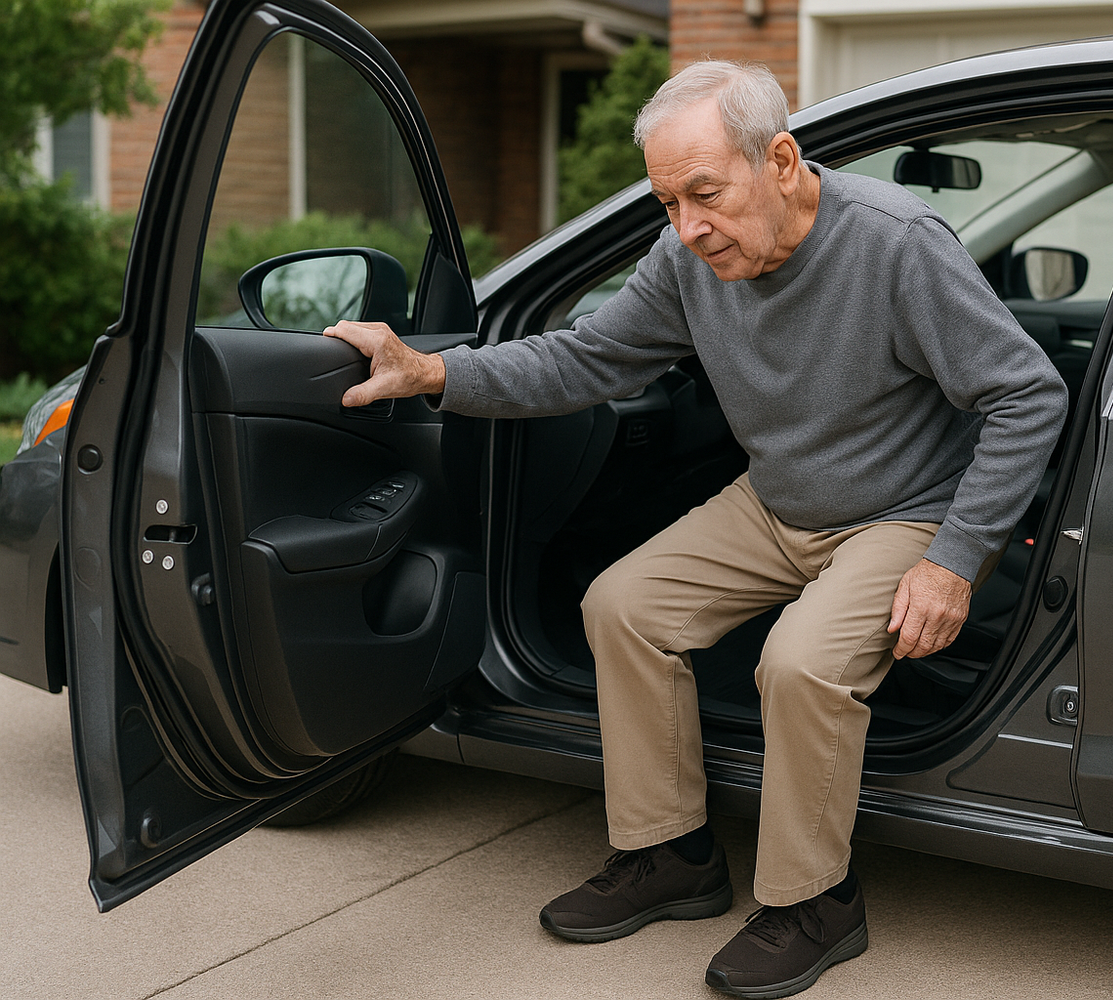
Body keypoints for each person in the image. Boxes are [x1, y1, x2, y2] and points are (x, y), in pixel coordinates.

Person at [326, 60, 1067, 999]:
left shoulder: (895, 243)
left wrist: (954, 561)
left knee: (799, 665)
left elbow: (1025, 394)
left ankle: (814, 904)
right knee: (622, 607)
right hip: (781, 500)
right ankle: (669, 855)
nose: (687, 227)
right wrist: (435, 376)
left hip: (904, 508)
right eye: (667, 202)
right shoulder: (690, 257)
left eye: (704, 195)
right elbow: (590, 357)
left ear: (783, 160)